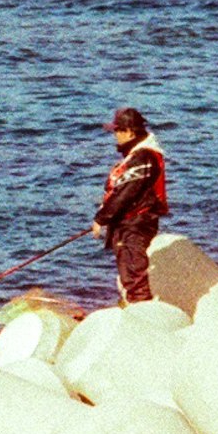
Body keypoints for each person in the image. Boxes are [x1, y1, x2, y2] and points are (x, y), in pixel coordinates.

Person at [93, 108, 169, 306]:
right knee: (130, 274)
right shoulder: (138, 156)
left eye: (118, 130)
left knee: (134, 276)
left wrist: (101, 218)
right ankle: (137, 307)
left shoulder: (143, 158)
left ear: (130, 132)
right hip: (131, 224)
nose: (115, 135)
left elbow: (126, 193)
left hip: (135, 225)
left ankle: (142, 316)